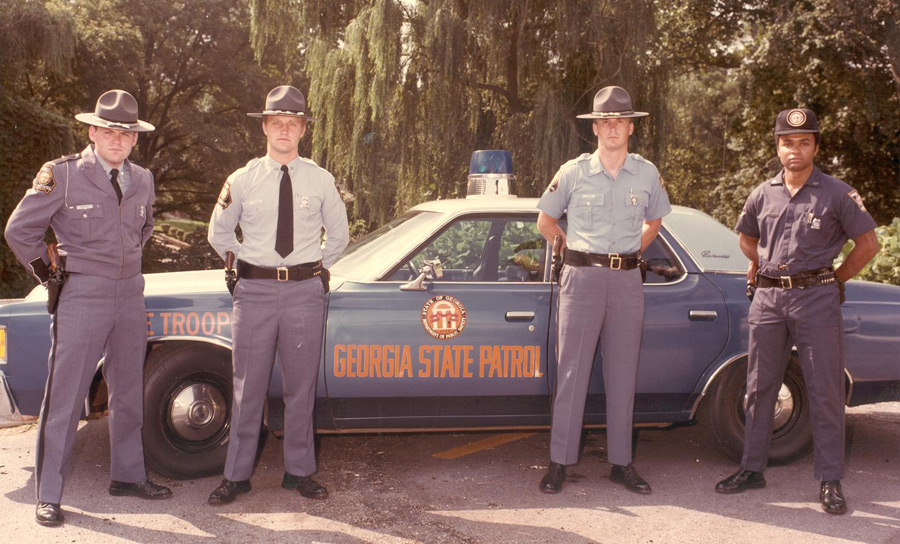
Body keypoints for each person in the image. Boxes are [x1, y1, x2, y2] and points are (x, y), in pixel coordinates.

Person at [4, 89, 171, 527]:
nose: (118, 138)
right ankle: (50, 493)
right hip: (82, 294)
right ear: (93, 131)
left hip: (130, 293)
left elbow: (144, 229)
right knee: (65, 394)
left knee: (128, 388)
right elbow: (20, 231)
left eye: (126, 132)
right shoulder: (62, 175)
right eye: (109, 130)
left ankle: (129, 476)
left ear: (135, 139)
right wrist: (51, 274)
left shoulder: (144, 179)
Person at [716, 108, 879, 515]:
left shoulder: (838, 193)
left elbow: (868, 245)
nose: (795, 149)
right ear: (777, 146)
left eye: (804, 142)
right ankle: (752, 469)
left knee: (825, 391)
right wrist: (766, 263)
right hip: (769, 299)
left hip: (816, 298)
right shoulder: (762, 192)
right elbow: (746, 238)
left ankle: (829, 481)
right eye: (788, 142)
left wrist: (836, 279)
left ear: (816, 147)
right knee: (759, 387)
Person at [207, 85, 349, 505]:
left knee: (300, 388)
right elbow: (218, 232)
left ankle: (299, 472)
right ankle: (236, 476)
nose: (285, 129)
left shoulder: (321, 180)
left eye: (293, 123)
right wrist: (239, 267)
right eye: (277, 122)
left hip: (304, 292)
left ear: (303, 129)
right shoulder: (243, 179)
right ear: (265, 127)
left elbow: (339, 236)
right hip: (254, 292)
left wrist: (313, 266)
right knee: (246, 386)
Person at [536, 86, 671, 494]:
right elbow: (546, 221)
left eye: (620, 121)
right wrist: (569, 250)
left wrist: (629, 253)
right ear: (595, 128)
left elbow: (655, 222)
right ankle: (559, 462)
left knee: (623, 372)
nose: (613, 128)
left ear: (631, 127)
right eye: (605, 122)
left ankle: (621, 463)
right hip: (582, 279)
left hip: (627, 280)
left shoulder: (646, 172)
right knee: (573, 371)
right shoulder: (573, 171)